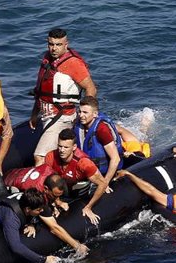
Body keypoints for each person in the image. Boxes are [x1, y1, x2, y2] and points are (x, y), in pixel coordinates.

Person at [29, 27, 97, 165]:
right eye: (51, 44)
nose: (54, 48)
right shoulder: (47, 59)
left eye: (58, 45)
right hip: (46, 115)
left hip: (62, 116)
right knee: (54, 156)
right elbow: (41, 92)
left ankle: (43, 186)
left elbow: (91, 89)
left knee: (40, 157)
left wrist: (85, 115)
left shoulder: (73, 63)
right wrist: (34, 115)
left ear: (66, 44)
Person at [0, 188, 87, 263]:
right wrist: (43, 260)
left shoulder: (29, 201)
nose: (42, 211)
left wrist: (32, 223)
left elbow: (44, 221)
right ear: (28, 209)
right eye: (39, 210)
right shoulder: (12, 218)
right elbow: (15, 247)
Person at [41, 129, 112, 225]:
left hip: (81, 189)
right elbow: (45, 182)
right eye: (60, 146)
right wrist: (56, 202)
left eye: (66, 147)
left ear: (74, 147)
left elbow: (102, 183)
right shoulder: (50, 156)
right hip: (62, 189)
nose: (62, 150)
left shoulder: (83, 163)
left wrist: (88, 207)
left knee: (98, 183)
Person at [73, 98, 121, 177]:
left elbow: (115, 159)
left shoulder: (101, 129)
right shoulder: (77, 125)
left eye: (85, 112)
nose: (81, 115)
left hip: (104, 172)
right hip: (87, 171)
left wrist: (105, 183)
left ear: (95, 114)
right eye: (80, 112)